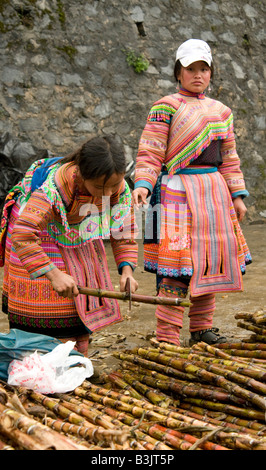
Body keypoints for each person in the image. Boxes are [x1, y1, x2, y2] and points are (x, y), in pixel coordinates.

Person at [133, 39, 251, 347]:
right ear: (178, 72)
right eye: (190, 69)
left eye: (204, 69)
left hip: (214, 194)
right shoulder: (165, 107)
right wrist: (143, 185)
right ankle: (168, 337)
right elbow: (151, 150)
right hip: (175, 194)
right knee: (176, 265)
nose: (198, 75)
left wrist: (237, 195)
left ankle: (202, 329)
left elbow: (229, 158)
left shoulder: (222, 112)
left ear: (211, 73)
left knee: (208, 261)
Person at [0, 135, 138, 356]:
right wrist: (54, 275)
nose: (108, 194)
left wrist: (127, 272)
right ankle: (38, 364)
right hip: (36, 232)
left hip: (80, 232)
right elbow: (24, 235)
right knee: (54, 297)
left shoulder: (117, 189)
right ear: (82, 176)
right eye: (100, 187)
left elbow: (123, 230)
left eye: (114, 185)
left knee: (80, 291)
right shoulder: (53, 188)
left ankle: (76, 361)